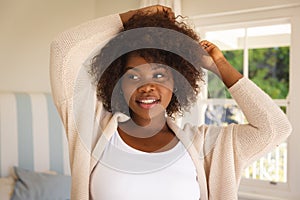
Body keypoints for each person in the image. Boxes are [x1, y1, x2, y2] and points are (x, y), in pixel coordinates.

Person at [50, 5, 292, 200]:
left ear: (176, 81)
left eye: (159, 74)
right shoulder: (93, 131)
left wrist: (220, 67)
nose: (147, 86)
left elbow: (275, 128)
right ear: (118, 83)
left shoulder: (205, 146)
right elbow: (64, 50)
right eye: (133, 76)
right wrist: (134, 19)